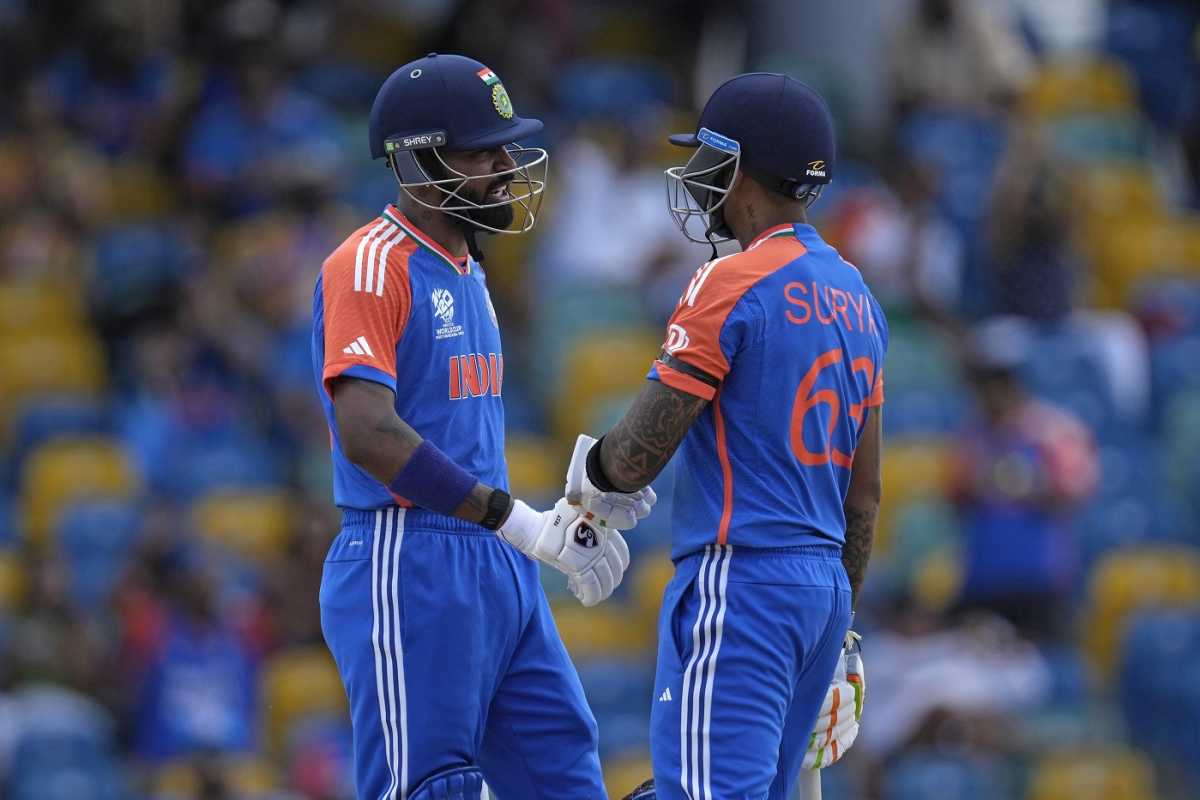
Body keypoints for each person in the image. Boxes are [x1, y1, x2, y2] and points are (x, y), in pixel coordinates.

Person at [310, 53, 649, 800]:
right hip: (408, 560)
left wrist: (569, 503)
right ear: (420, 159)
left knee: (562, 770)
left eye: (505, 146)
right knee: (433, 786)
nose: (505, 165)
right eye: (481, 151)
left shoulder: (469, 265)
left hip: (496, 563)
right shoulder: (369, 264)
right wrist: (515, 521)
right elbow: (367, 434)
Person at [570, 73, 888, 800]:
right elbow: (863, 496)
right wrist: (837, 629)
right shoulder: (860, 297)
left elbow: (636, 455)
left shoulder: (730, 280)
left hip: (741, 583)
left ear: (740, 170)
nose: (697, 177)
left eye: (708, 157)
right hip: (822, 593)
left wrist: (592, 474)